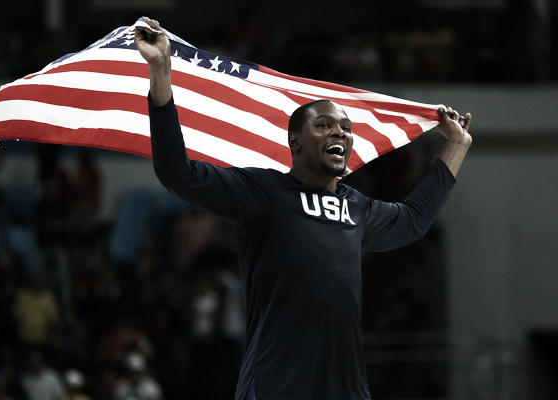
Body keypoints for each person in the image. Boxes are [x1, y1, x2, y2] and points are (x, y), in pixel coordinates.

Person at [134, 17, 472, 400]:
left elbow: (412, 221)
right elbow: (178, 173)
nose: (339, 133)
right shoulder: (264, 191)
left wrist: (456, 147)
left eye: (345, 129)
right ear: (295, 141)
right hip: (277, 383)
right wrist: (161, 72)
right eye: (325, 125)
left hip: (346, 389)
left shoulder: (356, 206)